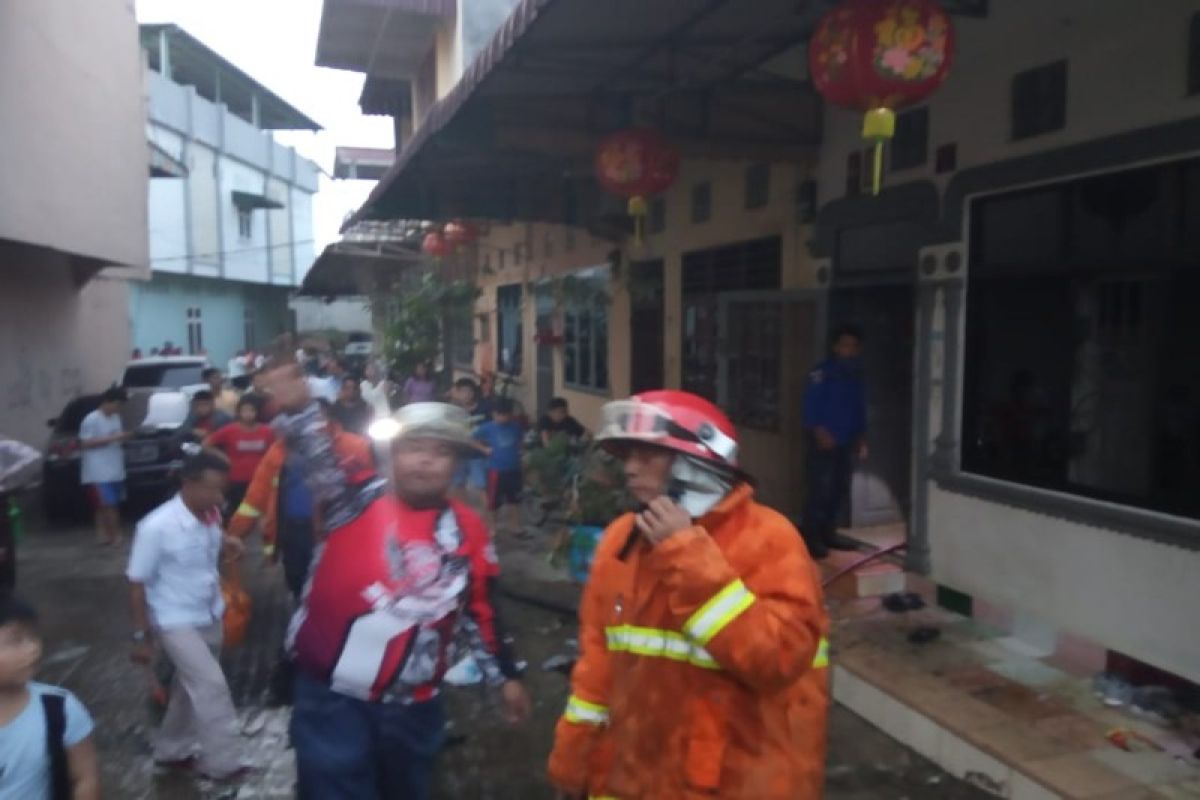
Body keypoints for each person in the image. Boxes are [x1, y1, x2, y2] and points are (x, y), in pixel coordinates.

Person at [261, 362, 530, 799]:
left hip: (414, 705)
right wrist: (298, 408)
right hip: (331, 697)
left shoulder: (467, 530)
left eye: (440, 452)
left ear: (456, 465)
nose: (425, 460)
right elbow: (316, 455)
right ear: (392, 455)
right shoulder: (352, 497)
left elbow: (481, 607)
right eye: (413, 448)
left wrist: (506, 676)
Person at [547, 390, 830, 799]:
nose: (629, 468)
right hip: (632, 781)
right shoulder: (620, 540)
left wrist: (685, 553)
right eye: (627, 456)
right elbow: (597, 668)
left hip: (737, 783)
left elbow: (777, 660)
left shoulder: (770, 540)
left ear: (696, 464)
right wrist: (572, 760)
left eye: (647, 455)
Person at [126, 450, 251, 783]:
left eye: (222, 489)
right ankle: (222, 764)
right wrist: (141, 637)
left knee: (187, 688)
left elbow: (214, 543)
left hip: (209, 612)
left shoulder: (210, 514)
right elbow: (136, 583)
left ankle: (172, 750)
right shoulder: (156, 527)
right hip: (173, 619)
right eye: (211, 489)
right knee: (211, 687)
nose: (219, 497)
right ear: (188, 483)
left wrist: (229, 542)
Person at [227, 401, 371, 600]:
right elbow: (255, 497)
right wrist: (235, 534)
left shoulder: (354, 446)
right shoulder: (279, 452)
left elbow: (374, 490)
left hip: (336, 531)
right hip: (293, 533)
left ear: (327, 418)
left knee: (337, 586)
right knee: (298, 583)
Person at [0, 594, 99, 800]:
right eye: (16, 640)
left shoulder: (58, 708)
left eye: (33, 637)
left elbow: (85, 778)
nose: (33, 649)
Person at [801, 325, 868, 559]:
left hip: (846, 441)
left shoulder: (855, 375)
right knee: (819, 490)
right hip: (823, 441)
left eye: (853, 346)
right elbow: (811, 404)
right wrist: (820, 432)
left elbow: (859, 409)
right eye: (844, 345)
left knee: (839, 489)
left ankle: (829, 533)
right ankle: (812, 538)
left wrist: (860, 438)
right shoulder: (822, 372)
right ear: (835, 347)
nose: (848, 350)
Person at [204, 397, 274, 522]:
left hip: (259, 480)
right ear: (239, 412)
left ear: (257, 412)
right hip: (235, 480)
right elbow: (206, 445)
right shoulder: (230, 430)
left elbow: (274, 451)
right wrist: (222, 458)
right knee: (236, 512)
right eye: (244, 411)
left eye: (251, 410)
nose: (248, 414)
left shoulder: (267, 431)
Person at [79, 387, 131, 546]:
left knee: (106, 505)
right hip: (98, 471)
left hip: (115, 468)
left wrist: (123, 438)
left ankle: (104, 535)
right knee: (108, 504)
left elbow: (118, 438)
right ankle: (115, 536)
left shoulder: (116, 418)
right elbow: (85, 443)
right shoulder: (91, 419)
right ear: (108, 401)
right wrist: (112, 438)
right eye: (117, 404)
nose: (118, 408)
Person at [473, 398, 524, 532]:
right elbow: (472, 439)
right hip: (496, 471)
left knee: (515, 500)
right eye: (500, 415)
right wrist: (484, 449)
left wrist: (520, 453)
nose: (503, 418)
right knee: (493, 502)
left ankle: (516, 526)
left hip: (514, 469)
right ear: (494, 414)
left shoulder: (516, 427)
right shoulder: (487, 428)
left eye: (506, 415)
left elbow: (520, 441)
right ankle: (492, 527)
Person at [0, 436, 41, 591]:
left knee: (4, 549)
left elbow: (33, 456)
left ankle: (6, 592)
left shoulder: (4, 446)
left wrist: (8, 474)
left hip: (1, 503)